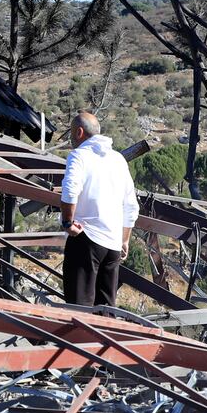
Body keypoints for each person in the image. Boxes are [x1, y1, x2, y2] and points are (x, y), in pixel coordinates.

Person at [60, 111, 139, 308]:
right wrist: (124, 239)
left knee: (79, 308)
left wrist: (68, 222)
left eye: (71, 132)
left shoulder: (79, 155)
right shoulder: (118, 159)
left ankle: (78, 340)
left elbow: (70, 190)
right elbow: (130, 204)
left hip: (86, 239)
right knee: (106, 310)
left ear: (79, 132)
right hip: (113, 244)